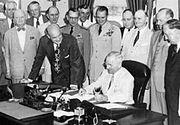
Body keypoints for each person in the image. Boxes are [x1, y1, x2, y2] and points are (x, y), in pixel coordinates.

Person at [26, 24, 85, 90]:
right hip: (57, 74)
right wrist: (30, 79)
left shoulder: (71, 40)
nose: (58, 39)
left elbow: (76, 63)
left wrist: (74, 84)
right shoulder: (43, 41)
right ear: (48, 36)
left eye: (59, 36)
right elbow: (38, 60)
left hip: (74, 74)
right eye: (54, 38)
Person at [148, 8, 174, 122]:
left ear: (170, 19)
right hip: (154, 79)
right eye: (157, 20)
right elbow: (150, 57)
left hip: (166, 80)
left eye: (160, 20)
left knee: (168, 113)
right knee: (155, 113)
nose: (157, 23)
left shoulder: (174, 37)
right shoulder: (155, 35)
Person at [4, 9, 40, 83]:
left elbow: (40, 52)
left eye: (22, 17)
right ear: (13, 19)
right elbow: (6, 55)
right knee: (17, 93)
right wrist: (8, 70)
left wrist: (42, 66)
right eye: (17, 18)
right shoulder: (8, 34)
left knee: (33, 93)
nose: (19, 20)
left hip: (32, 70)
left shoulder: (35, 31)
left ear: (26, 17)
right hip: (16, 71)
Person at [89, 6, 121, 83]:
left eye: (102, 17)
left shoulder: (114, 30)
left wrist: (112, 69)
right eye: (98, 17)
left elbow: (116, 53)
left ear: (107, 16)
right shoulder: (91, 29)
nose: (100, 20)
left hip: (106, 69)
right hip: (93, 69)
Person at [61, 8, 91, 87]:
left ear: (78, 18)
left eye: (75, 18)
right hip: (63, 70)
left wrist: (84, 72)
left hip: (78, 69)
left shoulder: (84, 32)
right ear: (67, 17)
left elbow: (87, 54)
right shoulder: (61, 31)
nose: (73, 20)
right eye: (71, 18)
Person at [163, 19, 180, 125]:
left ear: (176, 32)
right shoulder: (171, 49)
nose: (165, 38)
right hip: (171, 96)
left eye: (167, 34)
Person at [38, 6, 60, 83]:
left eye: (56, 14)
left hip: (60, 65)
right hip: (47, 63)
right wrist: (42, 66)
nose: (54, 17)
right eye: (52, 15)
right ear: (47, 15)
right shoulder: (41, 28)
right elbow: (39, 50)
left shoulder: (62, 27)